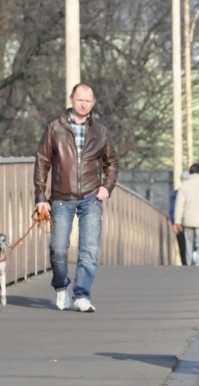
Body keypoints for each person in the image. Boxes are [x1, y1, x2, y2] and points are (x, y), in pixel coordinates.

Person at [33, 82, 119, 313]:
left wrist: (107, 187)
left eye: (88, 101)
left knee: (89, 249)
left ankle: (82, 295)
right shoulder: (55, 126)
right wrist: (40, 196)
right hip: (62, 196)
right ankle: (61, 287)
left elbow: (112, 162)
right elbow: (42, 161)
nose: (83, 104)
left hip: (92, 196)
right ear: (71, 99)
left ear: (93, 103)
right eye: (80, 99)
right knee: (58, 248)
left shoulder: (100, 129)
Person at [173, 163, 199, 266]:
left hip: (187, 219)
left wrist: (177, 221)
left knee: (188, 244)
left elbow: (179, 204)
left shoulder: (184, 185)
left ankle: (189, 265)